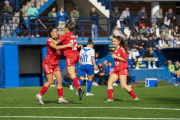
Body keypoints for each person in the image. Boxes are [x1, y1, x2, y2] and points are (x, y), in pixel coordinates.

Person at [36, 28, 73, 105]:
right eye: (55, 31)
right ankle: (39, 95)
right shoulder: (49, 41)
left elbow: (63, 48)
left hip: (55, 64)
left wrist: (77, 46)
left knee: (59, 80)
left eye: (57, 31)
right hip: (48, 64)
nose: (57, 32)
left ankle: (61, 99)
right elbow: (56, 47)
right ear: (51, 33)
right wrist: (67, 45)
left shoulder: (59, 41)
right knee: (50, 81)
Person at [104, 36, 139, 103]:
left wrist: (116, 56)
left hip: (122, 69)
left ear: (118, 42)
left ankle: (135, 97)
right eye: (112, 41)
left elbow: (125, 59)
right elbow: (117, 62)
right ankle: (110, 99)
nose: (113, 43)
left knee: (123, 84)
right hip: (116, 70)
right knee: (109, 82)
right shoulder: (114, 51)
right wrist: (113, 69)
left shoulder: (122, 49)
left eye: (114, 41)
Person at [58, 21, 84, 101]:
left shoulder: (65, 35)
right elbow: (75, 45)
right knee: (73, 74)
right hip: (76, 55)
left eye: (64, 29)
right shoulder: (73, 35)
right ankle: (79, 89)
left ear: (66, 29)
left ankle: (79, 89)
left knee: (71, 75)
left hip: (70, 56)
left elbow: (57, 42)